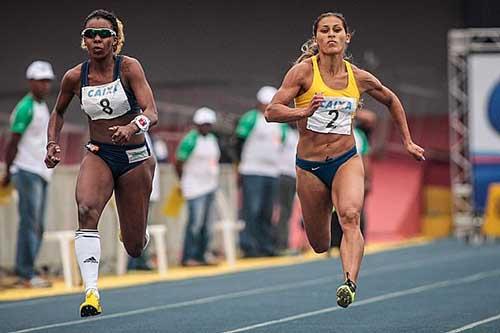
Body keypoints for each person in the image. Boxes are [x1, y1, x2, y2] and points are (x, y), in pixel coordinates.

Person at [265, 12, 425, 308]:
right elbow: (271, 111)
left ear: (346, 37)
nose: (331, 35)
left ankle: (349, 283)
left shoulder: (358, 77)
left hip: (345, 159)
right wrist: (303, 112)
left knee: (351, 217)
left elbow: (390, 99)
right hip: (310, 166)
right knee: (320, 243)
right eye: (324, 31)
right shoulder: (302, 73)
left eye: (337, 30)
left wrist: (407, 141)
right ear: (316, 39)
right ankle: (323, 231)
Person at [44, 9, 158, 317]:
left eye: (104, 35)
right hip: (99, 153)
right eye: (90, 35)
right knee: (85, 208)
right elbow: (58, 113)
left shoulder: (129, 68)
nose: (97, 40)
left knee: (134, 247)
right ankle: (91, 292)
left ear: (115, 40)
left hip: (135, 158)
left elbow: (152, 111)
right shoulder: (74, 77)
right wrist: (52, 143)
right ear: (84, 41)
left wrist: (133, 127)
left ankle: (134, 231)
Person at [1, 61, 55, 288]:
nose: (45, 85)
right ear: (31, 82)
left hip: (41, 172)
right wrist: (8, 171)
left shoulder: (42, 106)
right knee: (29, 223)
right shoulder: (26, 107)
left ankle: (29, 269)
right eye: (40, 81)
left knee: (38, 225)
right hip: (26, 170)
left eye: (47, 81)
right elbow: (12, 141)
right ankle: (24, 273)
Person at [235, 86, 286, 258]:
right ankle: (248, 245)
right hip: (252, 170)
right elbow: (239, 140)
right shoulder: (251, 118)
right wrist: (239, 165)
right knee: (252, 209)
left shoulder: (280, 124)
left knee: (267, 210)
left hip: (272, 171)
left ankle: (266, 244)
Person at [175, 107, 220, 266]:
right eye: (203, 124)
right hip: (194, 187)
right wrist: (183, 181)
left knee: (207, 225)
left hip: (210, 186)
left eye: (208, 124)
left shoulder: (212, 139)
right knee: (195, 224)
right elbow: (179, 161)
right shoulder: (190, 139)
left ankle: (202, 254)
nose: (206, 127)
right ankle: (188, 256)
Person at [276, 123, 299, 254]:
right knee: (283, 211)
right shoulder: (284, 131)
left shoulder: (297, 134)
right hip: (282, 174)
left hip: (293, 175)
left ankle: (283, 242)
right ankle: (280, 243)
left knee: (288, 211)